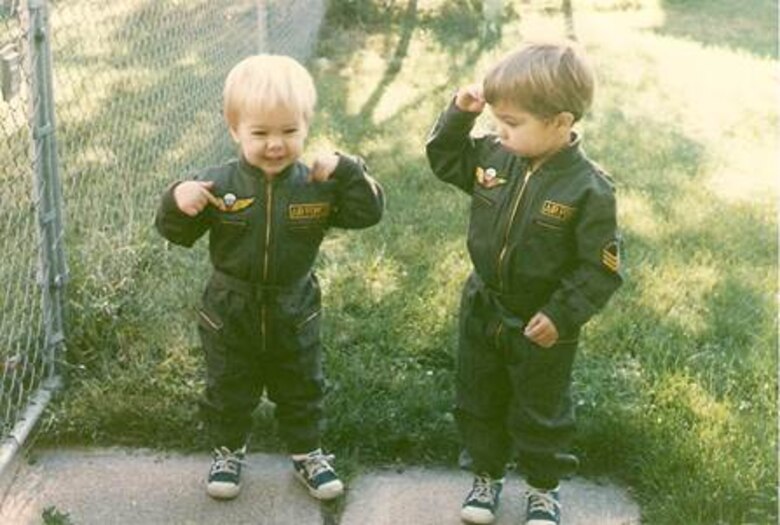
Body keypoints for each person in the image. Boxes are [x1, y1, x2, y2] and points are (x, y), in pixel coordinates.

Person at [155, 54, 384, 501]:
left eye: (289, 131)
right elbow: (174, 232)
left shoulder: (317, 184)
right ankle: (228, 450)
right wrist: (176, 200)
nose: (275, 145)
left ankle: (308, 453)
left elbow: (367, 213)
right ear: (234, 129)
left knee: (301, 383)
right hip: (229, 306)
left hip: (293, 305)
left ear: (306, 126)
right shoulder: (218, 183)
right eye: (260, 133)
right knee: (228, 384)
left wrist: (350, 170)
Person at [426, 40, 623, 525]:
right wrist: (459, 115)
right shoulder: (495, 157)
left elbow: (600, 267)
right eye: (497, 121)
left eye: (512, 124)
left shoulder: (589, 189)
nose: (500, 132)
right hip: (483, 307)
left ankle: (542, 487)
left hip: (543, 320)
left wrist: (561, 314)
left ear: (560, 122)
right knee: (477, 397)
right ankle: (486, 475)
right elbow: (444, 159)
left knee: (541, 408)